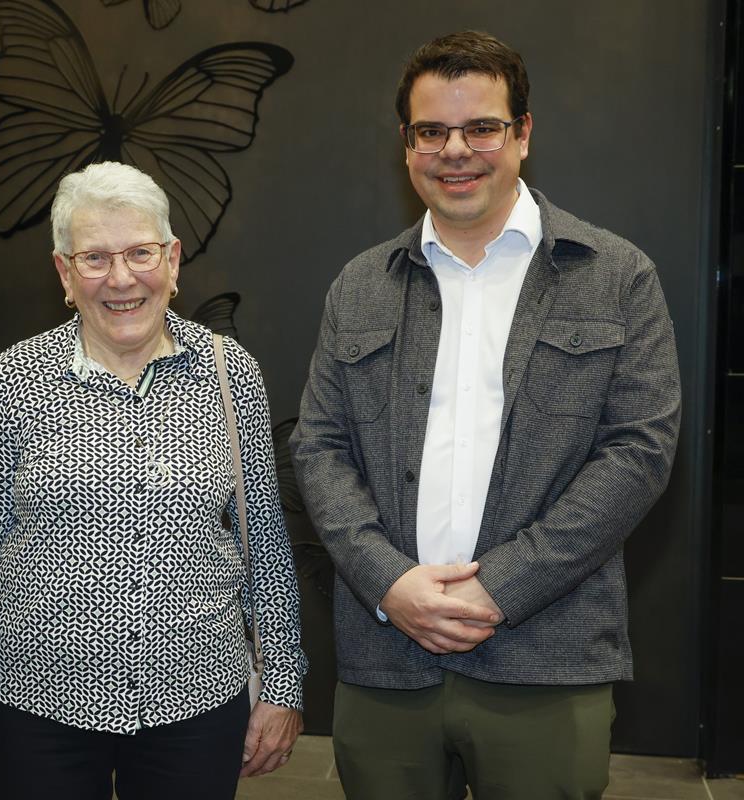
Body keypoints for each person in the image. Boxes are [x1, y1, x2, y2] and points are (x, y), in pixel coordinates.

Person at [290, 31, 681, 799]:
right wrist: (389, 583)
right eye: (431, 131)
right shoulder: (360, 285)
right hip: (386, 658)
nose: (455, 151)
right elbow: (319, 449)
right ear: (406, 144)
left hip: (548, 657)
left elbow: (639, 453)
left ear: (523, 133)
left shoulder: (616, 276)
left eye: (482, 128)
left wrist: (501, 586)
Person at [0, 161, 308, 800]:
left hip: (196, 701)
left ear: (172, 260)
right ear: (64, 273)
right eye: (94, 259)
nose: (120, 278)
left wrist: (283, 683)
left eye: (140, 253)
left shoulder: (230, 374)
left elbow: (266, 548)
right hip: (36, 704)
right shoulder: (14, 379)